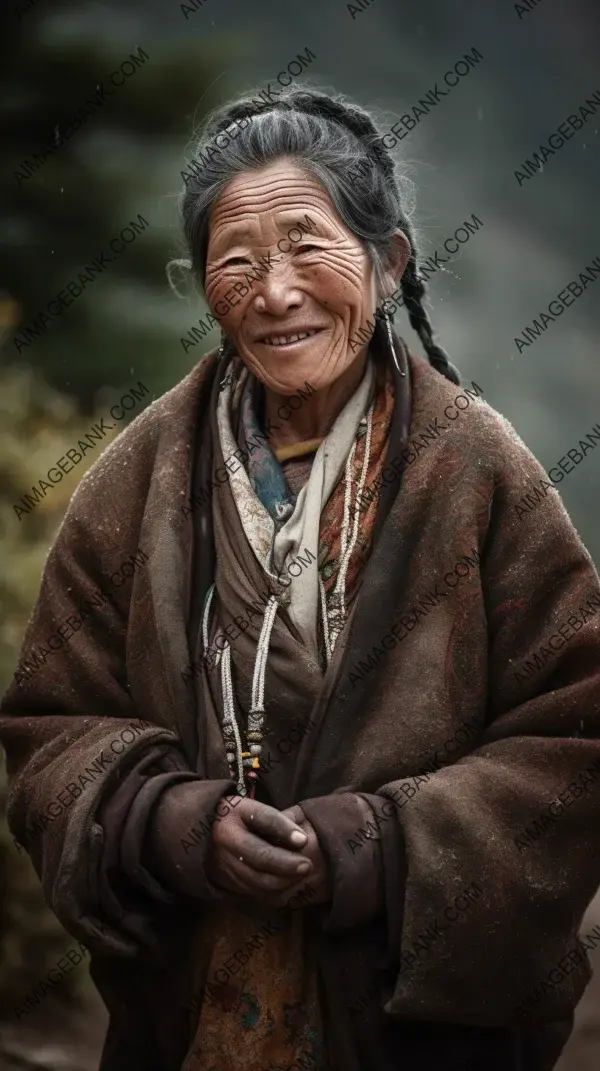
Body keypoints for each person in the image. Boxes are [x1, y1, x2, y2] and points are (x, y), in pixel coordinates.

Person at [2, 86, 600, 1071]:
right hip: (192, 1012)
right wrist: (176, 824)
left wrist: (372, 846)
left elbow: (573, 738)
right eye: (236, 262)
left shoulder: (479, 470)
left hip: (409, 1030)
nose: (274, 292)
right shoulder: (140, 475)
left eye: (305, 247)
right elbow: (50, 727)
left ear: (390, 258)